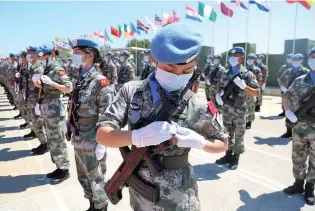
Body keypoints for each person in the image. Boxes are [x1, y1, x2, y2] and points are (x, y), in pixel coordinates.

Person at [96, 23, 228, 211]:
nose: (178, 75)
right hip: (140, 195)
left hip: (180, 199)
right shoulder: (132, 91)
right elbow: (102, 134)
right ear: (155, 60)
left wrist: (199, 142)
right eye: (171, 69)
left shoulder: (196, 104)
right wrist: (137, 137)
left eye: (187, 70)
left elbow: (223, 144)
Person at [68, 38, 114, 211]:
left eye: (77, 52)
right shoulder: (80, 78)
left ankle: (101, 206)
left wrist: (103, 141)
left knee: (96, 176)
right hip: (79, 134)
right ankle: (92, 205)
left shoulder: (99, 81)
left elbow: (107, 114)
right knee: (83, 176)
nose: (74, 55)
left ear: (90, 55)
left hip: (93, 137)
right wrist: (69, 123)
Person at [215, 47, 260, 170]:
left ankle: (236, 158)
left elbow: (257, 92)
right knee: (226, 132)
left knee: (239, 134)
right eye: (232, 55)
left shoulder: (248, 74)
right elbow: (220, 86)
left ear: (242, 57)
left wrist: (245, 87)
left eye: (237, 55)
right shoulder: (226, 72)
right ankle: (228, 155)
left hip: (240, 108)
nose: (233, 57)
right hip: (227, 107)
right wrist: (218, 95)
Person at [33, 43, 72, 184]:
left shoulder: (57, 69)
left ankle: (64, 169)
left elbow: (68, 88)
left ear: (52, 55)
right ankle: (59, 167)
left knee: (58, 140)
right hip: (47, 108)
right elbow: (44, 88)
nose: (41, 59)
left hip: (55, 110)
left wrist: (52, 83)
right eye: (40, 57)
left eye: (43, 56)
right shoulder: (46, 69)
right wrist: (38, 85)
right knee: (52, 140)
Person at [282, 48, 315, 206]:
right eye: (313, 57)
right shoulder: (300, 80)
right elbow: (286, 96)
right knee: (298, 157)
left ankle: (310, 188)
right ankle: (298, 184)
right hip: (300, 127)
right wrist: (287, 111)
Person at [278, 53, 310, 138]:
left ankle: (300, 133)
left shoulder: (306, 71)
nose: (296, 61)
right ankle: (289, 132)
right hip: (290, 96)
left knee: (301, 115)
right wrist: (282, 87)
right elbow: (280, 80)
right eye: (294, 60)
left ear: (301, 60)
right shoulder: (288, 71)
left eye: (298, 60)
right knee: (288, 114)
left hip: (302, 97)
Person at [24, 46, 48, 150]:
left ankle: (45, 144)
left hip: (36, 100)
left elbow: (41, 87)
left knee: (37, 121)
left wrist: (39, 101)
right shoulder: (32, 66)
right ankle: (42, 142)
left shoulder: (38, 67)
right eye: (28, 53)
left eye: (31, 53)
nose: (29, 55)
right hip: (31, 98)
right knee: (34, 121)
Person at [246, 53, 263, 129]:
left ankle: (249, 122)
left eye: (251, 59)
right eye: (248, 58)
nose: (249, 60)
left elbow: (259, 81)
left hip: (252, 90)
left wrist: (256, 90)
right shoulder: (244, 68)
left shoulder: (257, 69)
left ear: (254, 60)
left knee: (251, 106)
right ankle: (244, 120)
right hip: (244, 90)